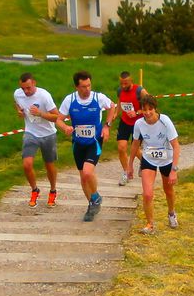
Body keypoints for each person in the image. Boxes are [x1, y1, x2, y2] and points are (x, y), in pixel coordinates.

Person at [56, 70, 118, 222]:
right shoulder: (69, 100)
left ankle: (95, 197)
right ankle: (92, 203)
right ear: (77, 87)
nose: (87, 89)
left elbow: (112, 107)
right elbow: (58, 119)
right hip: (78, 143)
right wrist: (65, 128)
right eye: (83, 86)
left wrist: (107, 126)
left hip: (94, 141)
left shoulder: (98, 97)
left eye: (89, 85)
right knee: (83, 178)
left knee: (87, 173)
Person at [127, 94, 181, 234]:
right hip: (148, 159)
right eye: (144, 110)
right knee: (147, 194)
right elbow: (134, 145)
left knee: (168, 190)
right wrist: (130, 165)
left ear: (155, 109)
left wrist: (174, 170)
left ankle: (171, 213)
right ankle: (150, 224)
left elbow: (176, 146)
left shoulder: (165, 121)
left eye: (150, 109)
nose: (148, 113)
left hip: (166, 159)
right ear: (141, 111)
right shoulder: (139, 124)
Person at [13, 72, 60, 207]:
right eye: (23, 88)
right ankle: (34, 190)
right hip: (30, 132)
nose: (26, 91)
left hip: (48, 134)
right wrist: (20, 111)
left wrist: (40, 113)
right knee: (27, 164)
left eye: (28, 88)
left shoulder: (44, 96)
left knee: (49, 165)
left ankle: (53, 190)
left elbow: (57, 116)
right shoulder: (18, 93)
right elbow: (16, 103)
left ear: (34, 83)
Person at [115, 70, 147, 186]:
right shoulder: (120, 91)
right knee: (121, 148)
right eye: (121, 84)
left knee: (135, 150)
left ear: (131, 81)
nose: (123, 86)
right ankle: (126, 172)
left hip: (138, 123)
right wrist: (115, 113)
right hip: (124, 122)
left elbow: (150, 105)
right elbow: (119, 103)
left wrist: (137, 113)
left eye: (126, 84)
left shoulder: (140, 91)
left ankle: (144, 162)